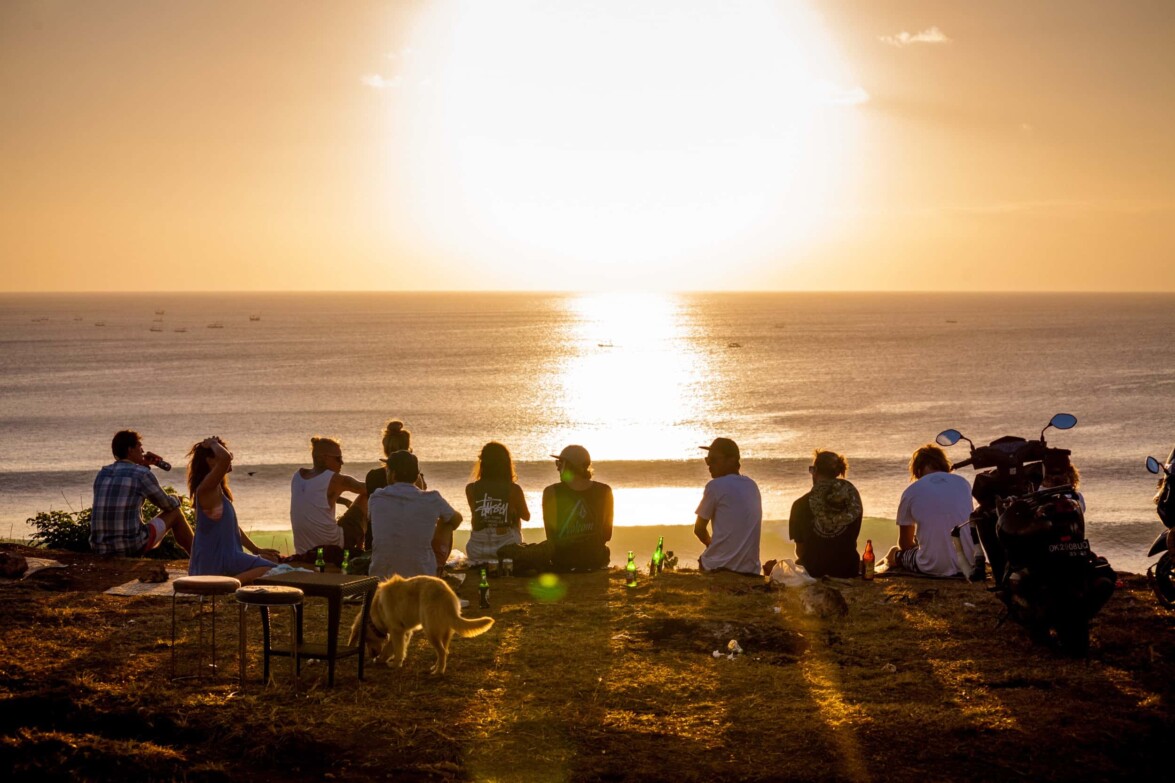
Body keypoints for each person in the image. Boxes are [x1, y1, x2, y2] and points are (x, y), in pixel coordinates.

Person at [186, 436, 278, 584]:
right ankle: (226, 584)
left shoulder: (216, 490)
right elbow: (225, 459)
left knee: (273, 562)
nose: (230, 458)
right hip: (217, 562)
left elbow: (232, 527)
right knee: (273, 569)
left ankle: (228, 582)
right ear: (210, 461)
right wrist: (213, 444)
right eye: (227, 453)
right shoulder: (205, 489)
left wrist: (256, 550)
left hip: (226, 559)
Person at [90, 430, 194, 557]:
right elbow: (167, 505)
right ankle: (200, 559)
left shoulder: (103, 473)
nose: (143, 451)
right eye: (139, 446)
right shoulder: (141, 474)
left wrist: (143, 465)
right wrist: (176, 499)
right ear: (130, 450)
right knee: (175, 512)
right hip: (130, 546)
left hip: (100, 547)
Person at [368, 450, 463, 579]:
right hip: (422, 577)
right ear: (416, 476)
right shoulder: (432, 499)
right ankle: (439, 567)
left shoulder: (376, 497)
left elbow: (371, 518)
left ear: (393, 474)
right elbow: (457, 519)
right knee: (446, 521)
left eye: (387, 470)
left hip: (381, 578)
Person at [885, 444, 975, 576]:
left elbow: (904, 544)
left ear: (918, 470)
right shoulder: (963, 483)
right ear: (944, 465)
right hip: (969, 563)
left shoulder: (911, 491)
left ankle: (874, 569)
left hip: (933, 566)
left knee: (894, 553)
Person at [788, 450, 862, 578]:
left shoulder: (800, 505)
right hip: (848, 570)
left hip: (813, 572)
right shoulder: (853, 498)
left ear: (815, 470)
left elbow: (800, 551)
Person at [290, 436, 367, 558]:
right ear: (325, 458)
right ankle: (360, 549)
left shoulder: (298, 477)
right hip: (333, 546)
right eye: (338, 458)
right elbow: (367, 488)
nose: (342, 462)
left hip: (303, 551)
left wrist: (343, 500)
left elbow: (315, 499)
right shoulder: (336, 479)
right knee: (366, 497)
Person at [693, 437, 762, 576]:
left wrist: (710, 544)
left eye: (713, 460)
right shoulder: (752, 485)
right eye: (707, 460)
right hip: (751, 570)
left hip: (720, 567)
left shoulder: (715, 486)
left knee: (704, 559)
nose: (709, 465)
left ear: (732, 460)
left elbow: (699, 529)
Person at [541, 445, 613, 572]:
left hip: (563, 561)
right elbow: (607, 534)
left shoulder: (551, 492)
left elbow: (551, 537)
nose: (557, 467)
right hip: (595, 559)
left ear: (569, 466)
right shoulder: (605, 491)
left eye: (560, 462)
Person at [364, 419, 426, 551]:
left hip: (376, 545)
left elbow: (371, 516)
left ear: (385, 449)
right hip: (409, 544)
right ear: (408, 450)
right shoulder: (416, 478)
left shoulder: (373, 477)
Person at [465, 441, 530, 564]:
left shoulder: (471, 489)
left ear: (482, 463)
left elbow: (477, 516)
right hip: (507, 549)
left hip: (477, 550)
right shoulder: (513, 489)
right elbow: (526, 516)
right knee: (515, 516)